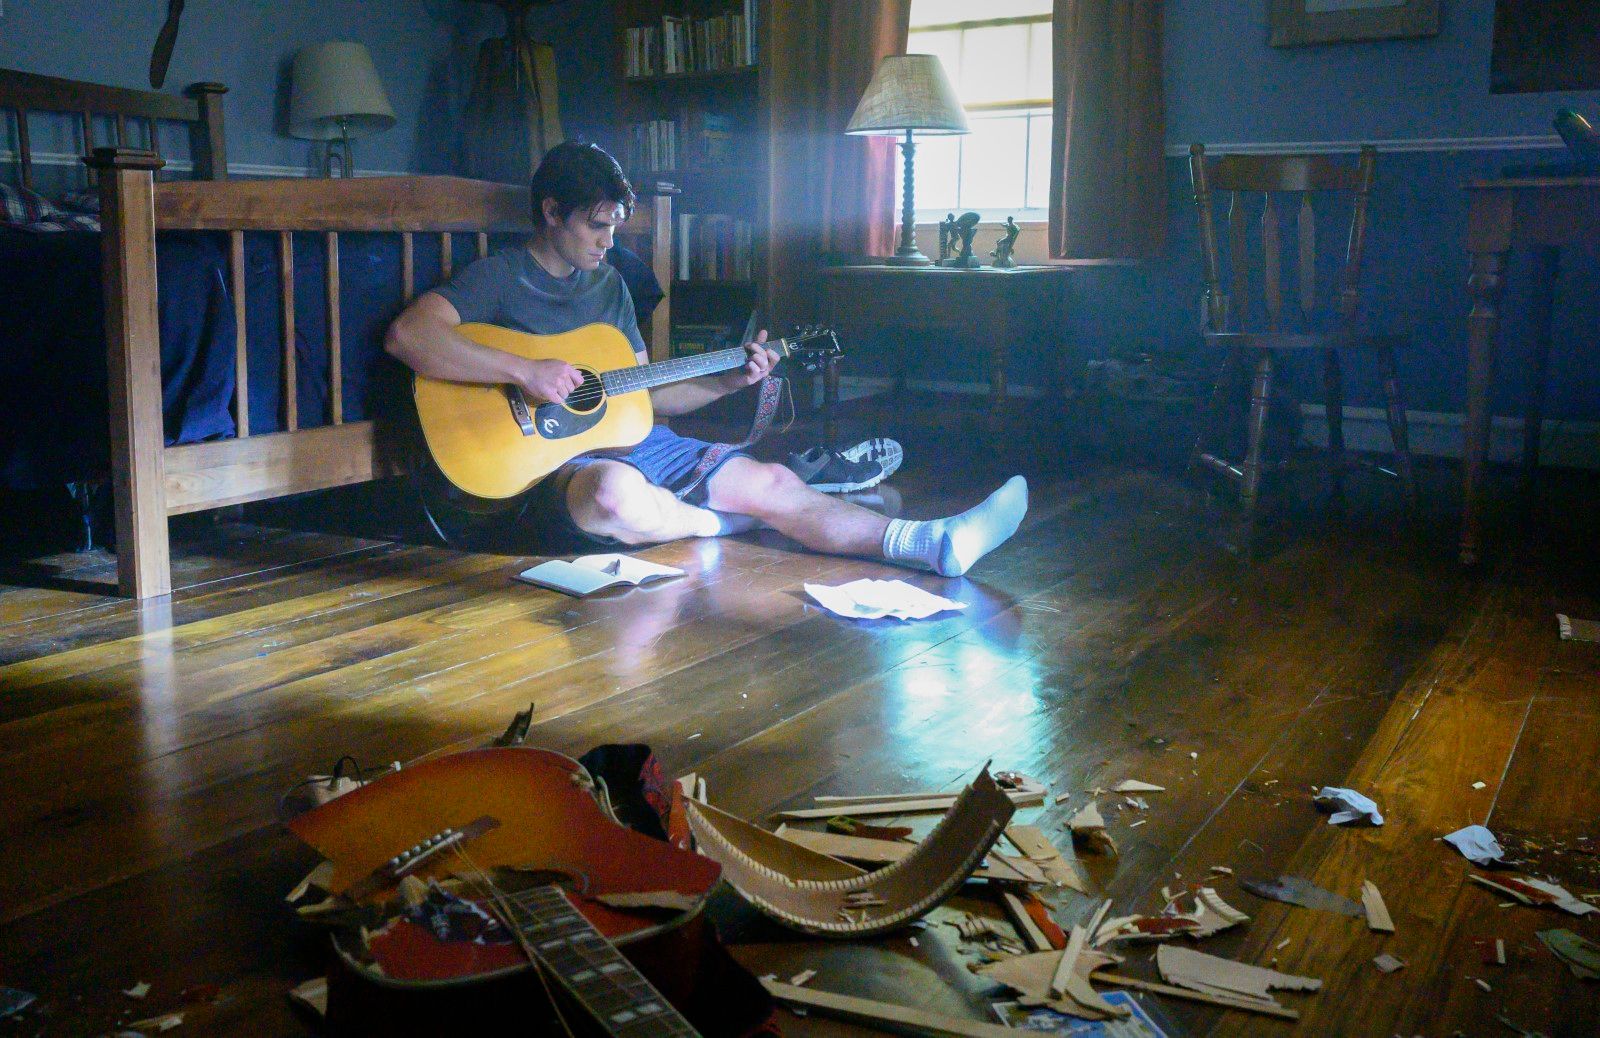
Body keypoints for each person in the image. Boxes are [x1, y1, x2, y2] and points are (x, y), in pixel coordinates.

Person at [384, 141, 1026, 577]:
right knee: (613, 495)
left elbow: (642, 395)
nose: (609, 242)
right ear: (551, 213)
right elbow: (409, 337)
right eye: (596, 226)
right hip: (541, 468)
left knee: (773, 483)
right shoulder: (500, 278)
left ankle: (930, 541)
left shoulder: (610, 287)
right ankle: (723, 524)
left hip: (630, 443)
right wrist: (527, 372)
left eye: (616, 227)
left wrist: (726, 382)